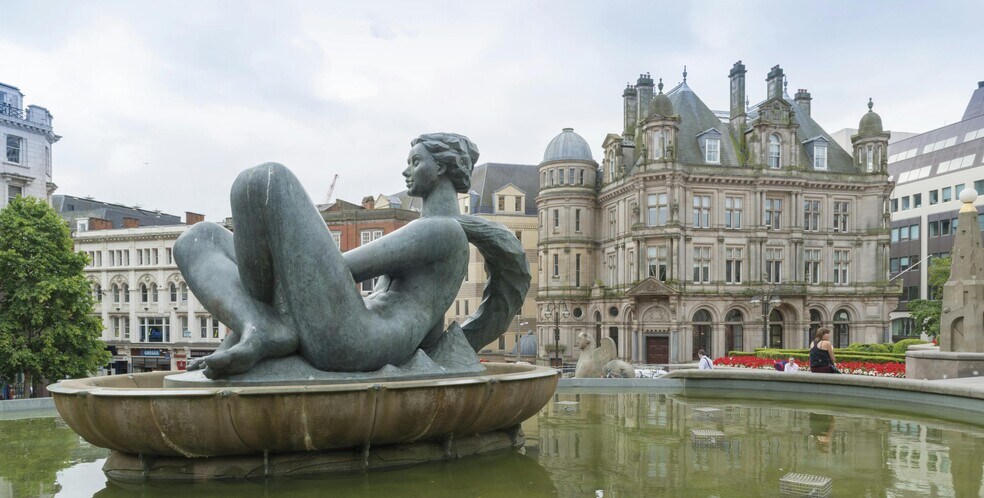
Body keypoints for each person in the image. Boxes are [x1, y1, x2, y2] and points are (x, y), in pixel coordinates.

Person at [175, 133, 528, 379]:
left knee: (266, 180)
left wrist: (281, 248)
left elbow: (342, 269)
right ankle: (256, 325)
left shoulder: (442, 231)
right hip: (347, 329)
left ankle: (263, 326)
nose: (406, 170)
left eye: (415, 161)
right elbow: (429, 335)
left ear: (441, 169)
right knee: (196, 238)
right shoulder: (442, 239)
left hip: (359, 339)